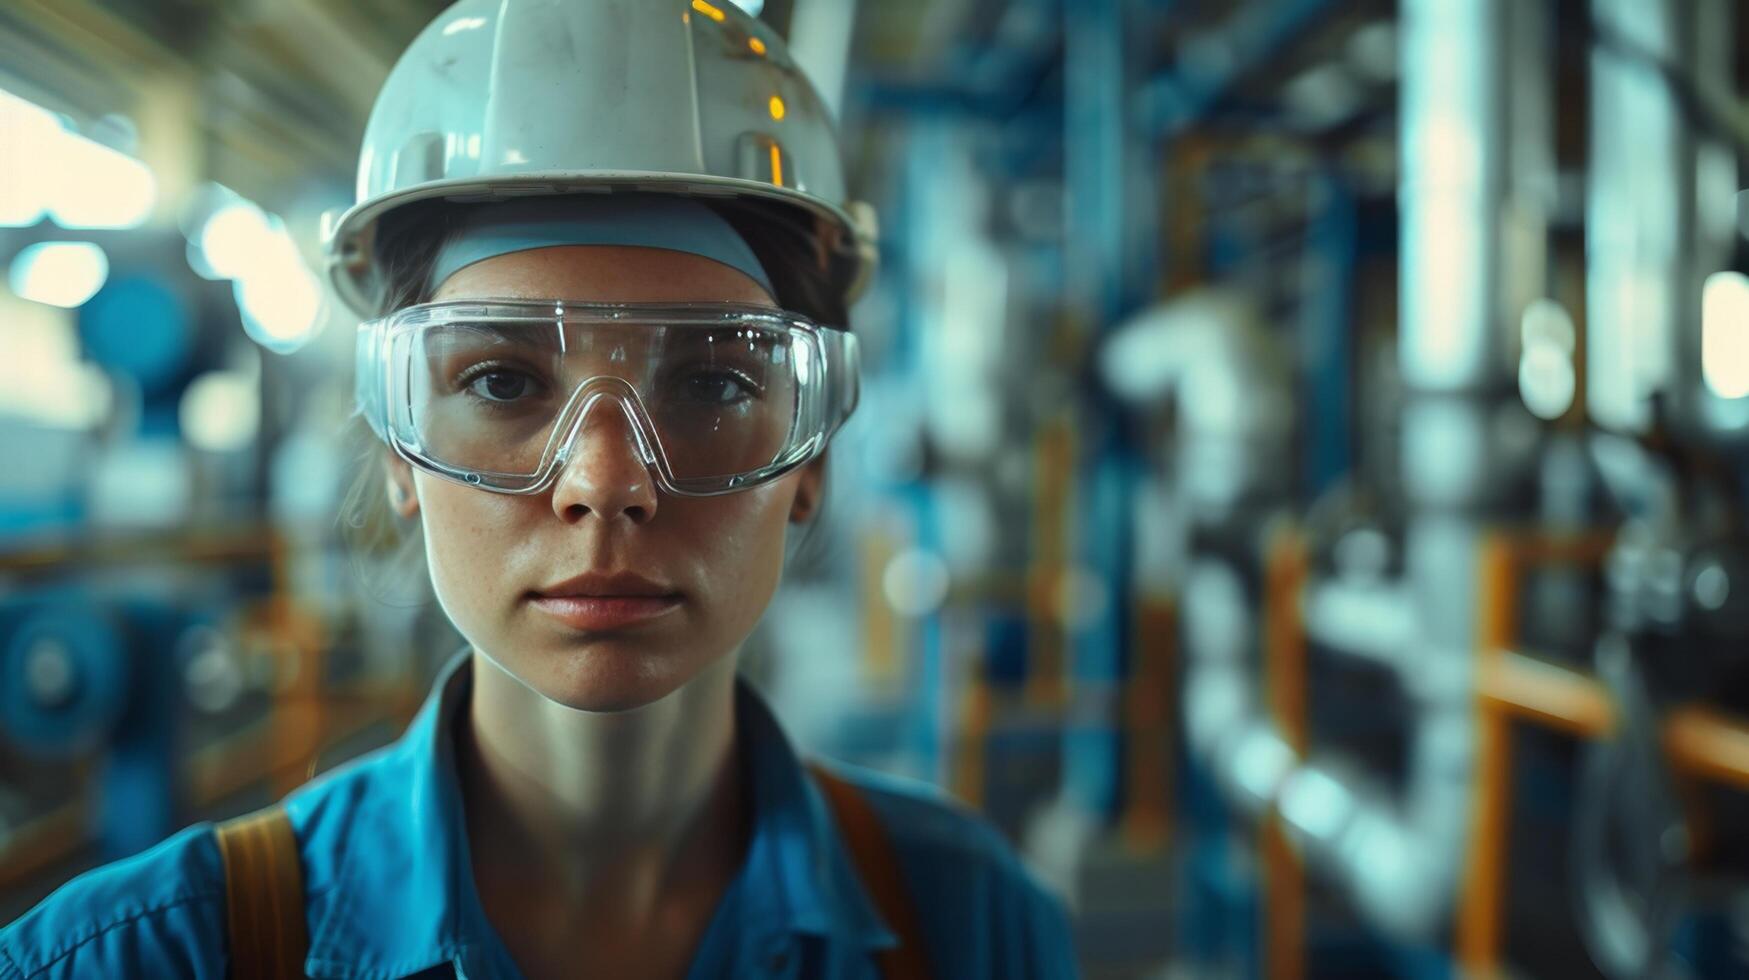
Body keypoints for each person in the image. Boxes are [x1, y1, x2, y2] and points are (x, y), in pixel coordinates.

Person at [0, 1, 1078, 978]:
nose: (605, 484)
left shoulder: (978, 925)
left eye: (711, 380)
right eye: (503, 380)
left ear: (813, 458)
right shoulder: (138, 957)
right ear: (397, 451)